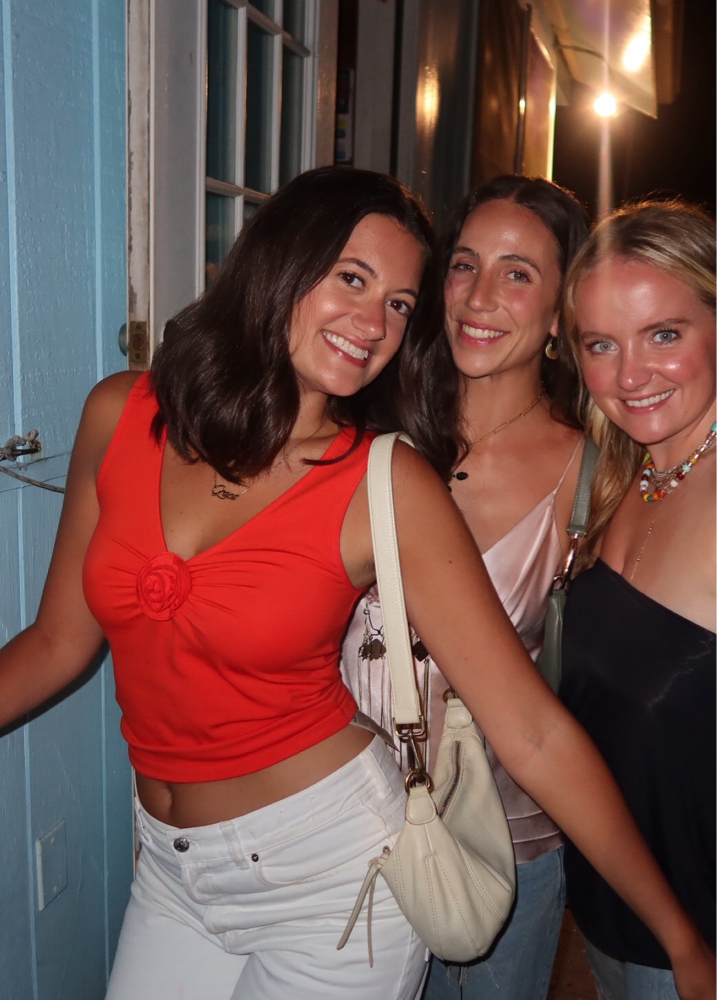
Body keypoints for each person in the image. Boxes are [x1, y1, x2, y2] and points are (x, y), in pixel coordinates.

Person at [0, 167, 712, 1000]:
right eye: (352, 280)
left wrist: (678, 936)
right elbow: (56, 642)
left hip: (332, 872)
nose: (372, 324)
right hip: (172, 866)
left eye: (398, 303)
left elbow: (531, 729)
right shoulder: (121, 413)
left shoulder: (382, 480)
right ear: (281, 264)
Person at [343, 174, 592, 1000]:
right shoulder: (368, 426)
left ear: (559, 312)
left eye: (517, 273)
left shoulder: (590, 473)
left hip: (502, 846)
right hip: (347, 823)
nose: (479, 298)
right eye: (463, 265)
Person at [559, 198, 716, 1000]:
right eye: (601, 344)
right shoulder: (622, 475)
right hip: (607, 913)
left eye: (663, 334)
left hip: (695, 944)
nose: (628, 376)